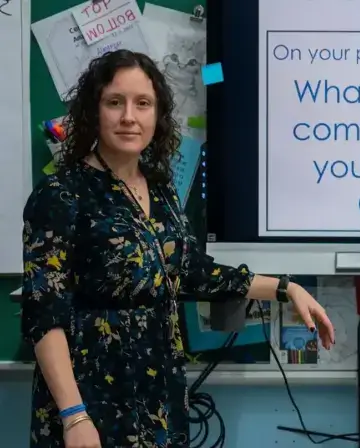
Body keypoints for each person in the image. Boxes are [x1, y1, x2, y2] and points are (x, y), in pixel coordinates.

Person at [21, 50, 335, 448]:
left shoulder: (161, 189)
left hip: (159, 399)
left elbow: (191, 271)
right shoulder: (60, 195)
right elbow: (43, 314)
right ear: (92, 111)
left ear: (158, 114)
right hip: (92, 403)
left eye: (143, 103)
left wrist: (286, 287)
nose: (129, 117)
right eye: (114, 102)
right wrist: (73, 415)